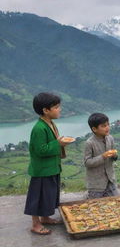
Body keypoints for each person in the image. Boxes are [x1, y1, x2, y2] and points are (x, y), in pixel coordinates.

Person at [24, 92, 67, 235]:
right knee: (38, 196)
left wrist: (58, 143)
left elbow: (51, 144)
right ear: (45, 110)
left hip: (52, 168)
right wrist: (58, 143)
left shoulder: (50, 123)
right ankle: (35, 224)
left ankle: (45, 217)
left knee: (48, 194)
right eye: (56, 107)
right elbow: (40, 150)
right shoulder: (39, 128)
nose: (59, 109)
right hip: (42, 170)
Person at [84, 113, 118, 199]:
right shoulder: (90, 143)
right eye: (103, 126)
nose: (107, 127)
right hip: (96, 184)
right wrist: (103, 156)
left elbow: (115, 158)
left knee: (116, 203)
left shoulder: (110, 138)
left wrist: (114, 155)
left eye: (108, 124)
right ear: (94, 129)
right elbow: (87, 162)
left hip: (110, 180)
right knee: (95, 206)